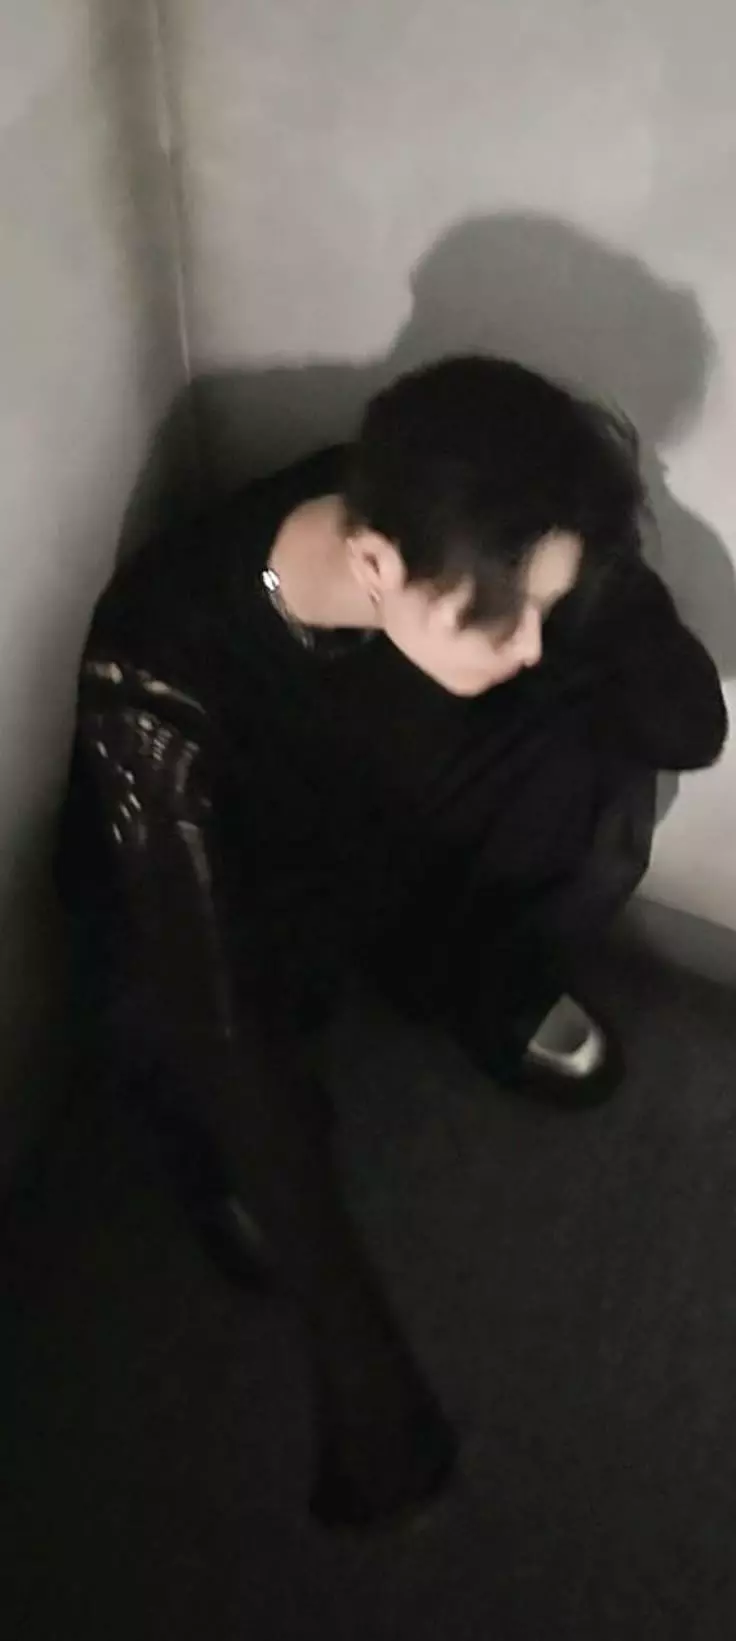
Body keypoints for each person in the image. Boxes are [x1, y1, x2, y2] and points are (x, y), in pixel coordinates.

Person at [57, 356, 727, 1531]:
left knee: (596, 733)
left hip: (376, 814)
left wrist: (595, 578)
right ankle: (229, 1165)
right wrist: (364, 1373)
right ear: (373, 567)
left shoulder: (442, 514)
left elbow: (687, 724)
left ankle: (469, 974)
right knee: (185, 1028)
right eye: (504, 616)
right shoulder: (160, 661)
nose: (529, 641)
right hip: (234, 886)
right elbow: (216, 1013)